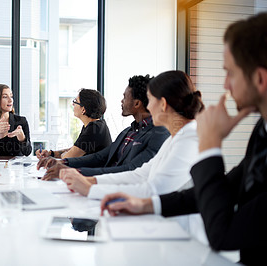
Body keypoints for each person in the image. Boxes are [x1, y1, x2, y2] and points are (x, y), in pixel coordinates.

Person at [100, 12, 267, 266]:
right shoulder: (262, 130)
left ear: (259, 79)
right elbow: (223, 188)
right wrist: (146, 205)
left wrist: (210, 146)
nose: (226, 85)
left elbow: (223, 234)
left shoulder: (191, 137)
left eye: (230, 73)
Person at [60, 70, 204, 201]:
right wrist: (89, 180)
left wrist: (90, 188)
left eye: (150, 100)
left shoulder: (187, 139)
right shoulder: (176, 138)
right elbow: (140, 174)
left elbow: (154, 188)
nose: (148, 106)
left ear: (163, 104)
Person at [37, 75, 170, 180]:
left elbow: (131, 170)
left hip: (120, 191)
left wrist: (76, 172)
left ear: (136, 103)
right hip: (103, 185)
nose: (121, 101)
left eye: (125, 97)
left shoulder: (158, 133)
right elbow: (100, 157)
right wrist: (64, 163)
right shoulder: (128, 131)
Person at [35, 88, 112, 159]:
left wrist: (64, 155)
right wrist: (51, 153)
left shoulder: (93, 129)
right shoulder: (94, 125)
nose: (73, 104)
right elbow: (75, 149)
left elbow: (67, 158)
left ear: (83, 109)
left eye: (75, 101)